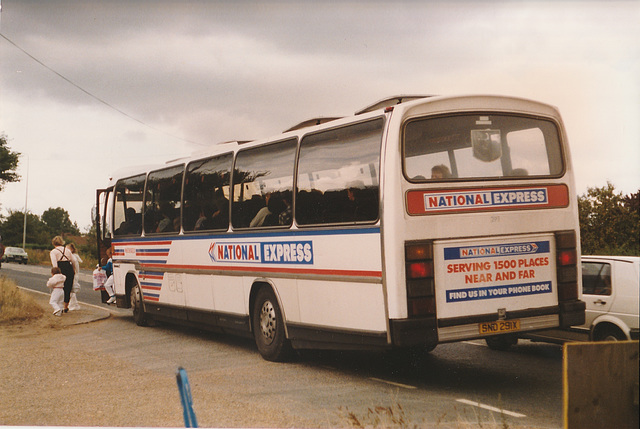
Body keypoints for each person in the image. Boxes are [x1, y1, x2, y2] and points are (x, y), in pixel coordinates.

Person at [49, 236, 76, 313]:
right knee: (68, 288)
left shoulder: (53, 252)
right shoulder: (67, 250)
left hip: (60, 268)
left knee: (59, 287)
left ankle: (58, 305)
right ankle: (66, 306)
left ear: (53, 243)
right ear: (62, 242)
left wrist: (55, 274)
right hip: (69, 268)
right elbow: (73, 260)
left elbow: (54, 264)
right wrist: (74, 270)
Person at [67, 243, 82, 311]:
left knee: (72, 290)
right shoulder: (71, 256)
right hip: (74, 274)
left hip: (74, 274)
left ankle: (73, 305)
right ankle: (74, 304)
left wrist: (74, 273)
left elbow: (76, 267)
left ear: (72, 249)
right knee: (71, 290)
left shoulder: (73, 256)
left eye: (68, 248)